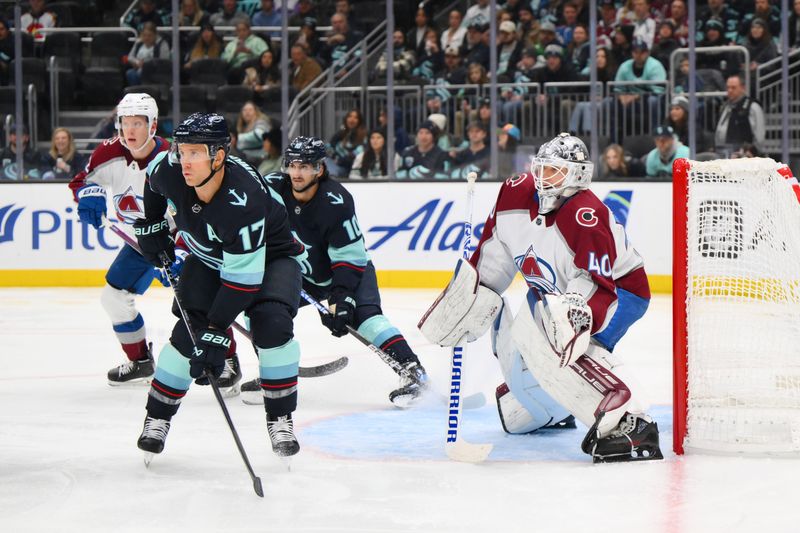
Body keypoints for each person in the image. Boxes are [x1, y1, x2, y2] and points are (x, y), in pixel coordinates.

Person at [419, 133, 663, 463]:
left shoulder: (586, 215)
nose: (542, 179)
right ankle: (547, 408)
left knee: (556, 332)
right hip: (554, 292)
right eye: (541, 169)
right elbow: (496, 255)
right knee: (514, 340)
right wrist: (470, 299)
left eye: (554, 172)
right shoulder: (513, 194)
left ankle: (630, 423)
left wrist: (573, 316)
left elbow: (597, 285)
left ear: (577, 175)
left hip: (620, 293)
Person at [133, 113, 303, 459]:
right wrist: (153, 225)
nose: (185, 161)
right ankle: (157, 417)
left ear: (219, 156)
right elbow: (153, 182)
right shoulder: (171, 167)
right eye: (182, 150)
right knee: (187, 336)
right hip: (209, 259)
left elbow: (242, 282)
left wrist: (216, 329)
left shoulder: (244, 199)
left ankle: (280, 416)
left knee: (271, 324)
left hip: (271, 259)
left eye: (196, 153)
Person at [239, 137, 429, 406]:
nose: (296, 173)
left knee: (366, 319)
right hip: (301, 273)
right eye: (292, 165)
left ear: (319, 168)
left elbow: (349, 257)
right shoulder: (272, 188)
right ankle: (274, 372)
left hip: (347, 272)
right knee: (259, 308)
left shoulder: (336, 200)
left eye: (305, 166)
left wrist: (342, 298)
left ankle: (414, 373)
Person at [66, 95, 179, 386]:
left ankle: (228, 361)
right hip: (137, 243)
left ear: (153, 125)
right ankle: (140, 361)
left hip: (178, 238)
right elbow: (82, 180)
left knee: (196, 300)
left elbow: (197, 211)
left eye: (137, 123)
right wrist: (88, 195)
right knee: (114, 298)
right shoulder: (109, 152)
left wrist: (181, 252)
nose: (130, 130)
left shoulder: (172, 159)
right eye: (125, 123)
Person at [714, 74, 765, 153]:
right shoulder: (725, 106)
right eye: (728, 87)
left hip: (744, 155)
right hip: (723, 152)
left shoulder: (753, 107)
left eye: (733, 87)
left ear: (743, 88)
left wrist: (753, 151)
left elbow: (759, 137)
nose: (730, 90)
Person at [125, 22, 171, 86]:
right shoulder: (139, 43)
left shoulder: (162, 44)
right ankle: (137, 92)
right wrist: (137, 62)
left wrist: (147, 64)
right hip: (139, 69)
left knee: (142, 73)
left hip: (154, 71)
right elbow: (130, 57)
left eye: (149, 35)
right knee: (130, 73)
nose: (146, 38)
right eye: (144, 35)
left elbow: (164, 61)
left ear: (155, 35)